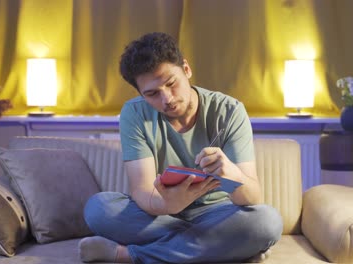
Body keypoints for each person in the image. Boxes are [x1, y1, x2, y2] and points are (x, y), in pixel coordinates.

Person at [79, 32, 283, 264]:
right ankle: (225, 247)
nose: (167, 99)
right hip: (161, 214)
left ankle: (129, 255)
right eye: (152, 94)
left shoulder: (230, 111)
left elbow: (252, 197)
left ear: (186, 69)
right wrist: (167, 204)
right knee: (98, 209)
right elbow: (143, 190)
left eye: (171, 83)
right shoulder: (134, 113)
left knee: (267, 221)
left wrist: (232, 173)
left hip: (217, 214)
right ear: (140, 94)